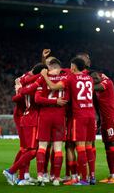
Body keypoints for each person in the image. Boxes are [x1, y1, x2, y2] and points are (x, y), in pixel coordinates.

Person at [41, 57, 96, 186]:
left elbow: (53, 87)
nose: (70, 68)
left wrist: (44, 75)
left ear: (74, 67)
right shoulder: (90, 79)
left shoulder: (71, 78)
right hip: (91, 115)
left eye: (71, 66)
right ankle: (92, 177)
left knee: (80, 148)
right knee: (89, 147)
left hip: (79, 116)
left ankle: (83, 179)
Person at [3, 63, 47, 186]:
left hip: (27, 117)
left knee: (26, 150)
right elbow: (21, 98)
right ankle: (11, 171)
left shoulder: (27, 80)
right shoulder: (36, 84)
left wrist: (20, 87)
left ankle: (22, 178)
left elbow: (28, 78)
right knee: (32, 151)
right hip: (31, 119)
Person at [34, 58, 68, 186]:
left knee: (42, 147)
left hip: (45, 115)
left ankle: (40, 176)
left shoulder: (42, 78)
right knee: (58, 149)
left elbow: (37, 99)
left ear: (49, 67)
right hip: (59, 116)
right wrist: (56, 101)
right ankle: (56, 178)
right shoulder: (65, 78)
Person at [91, 72, 114, 184]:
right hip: (104, 120)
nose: (94, 79)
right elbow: (97, 106)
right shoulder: (96, 90)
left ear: (101, 76)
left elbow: (98, 86)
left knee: (113, 146)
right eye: (92, 78)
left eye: (96, 77)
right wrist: (99, 119)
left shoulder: (107, 82)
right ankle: (112, 175)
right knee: (108, 148)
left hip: (112, 118)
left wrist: (85, 83)